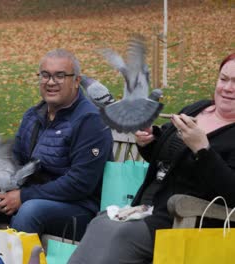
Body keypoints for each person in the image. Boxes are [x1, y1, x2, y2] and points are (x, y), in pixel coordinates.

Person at [67, 52, 235, 264]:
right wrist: (150, 139)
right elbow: (165, 153)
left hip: (186, 220)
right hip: (147, 208)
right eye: (224, 79)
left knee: (121, 235)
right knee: (100, 224)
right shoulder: (198, 109)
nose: (227, 88)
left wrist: (203, 149)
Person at [0, 49, 114, 263]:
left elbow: (80, 183)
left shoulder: (90, 121)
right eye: (45, 75)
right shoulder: (34, 115)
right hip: (34, 197)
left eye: (60, 75)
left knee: (31, 211)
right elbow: (15, 160)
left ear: (77, 81)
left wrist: (24, 197)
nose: (51, 82)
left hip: (81, 209)